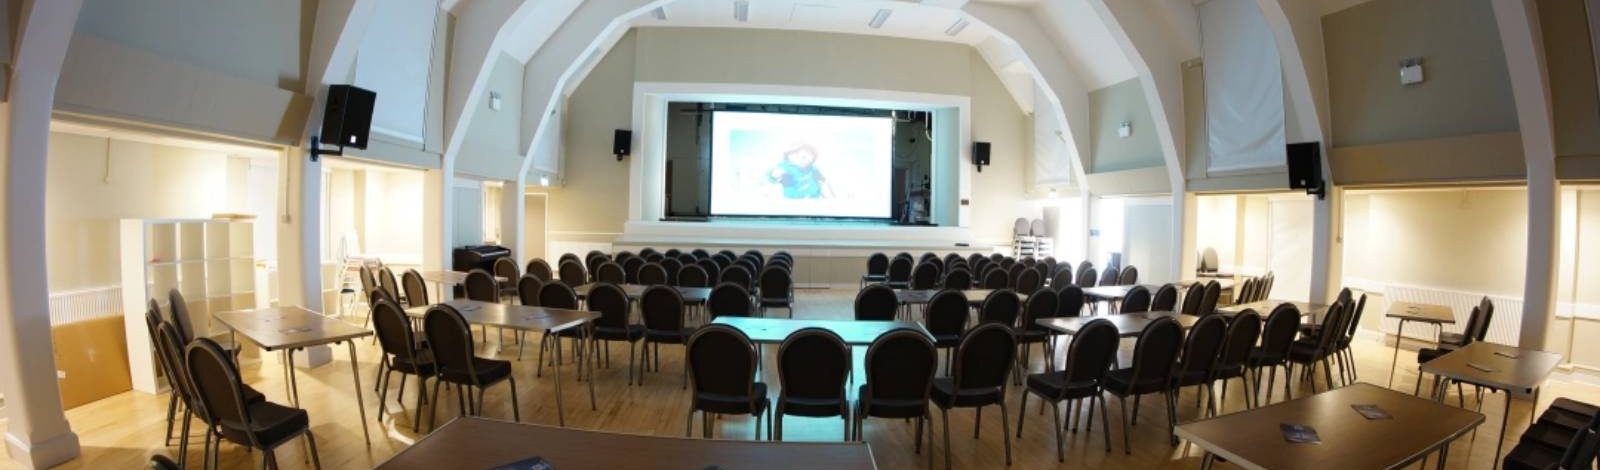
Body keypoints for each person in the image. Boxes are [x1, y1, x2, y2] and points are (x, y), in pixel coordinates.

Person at [767, 143, 833, 199]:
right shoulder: (785, 167)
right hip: (794, 200)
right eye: (803, 157)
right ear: (790, 156)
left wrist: (823, 180)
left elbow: (822, 180)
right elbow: (771, 175)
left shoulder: (812, 169)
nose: (806, 160)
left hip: (814, 199)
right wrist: (773, 175)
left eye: (810, 158)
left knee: (823, 186)